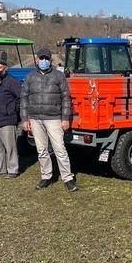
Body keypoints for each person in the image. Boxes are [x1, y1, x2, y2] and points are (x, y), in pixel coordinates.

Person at [20, 47, 77, 192]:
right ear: (37, 60)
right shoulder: (30, 77)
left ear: (50, 60)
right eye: (41, 58)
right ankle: (46, 176)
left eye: (46, 58)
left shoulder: (58, 76)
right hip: (35, 118)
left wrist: (65, 118)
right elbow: (24, 99)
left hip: (54, 118)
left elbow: (66, 97)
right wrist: (25, 119)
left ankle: (68, 178)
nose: (43, 61)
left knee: (60, 149)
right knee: (41, 150)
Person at [0, 59, 22, 178]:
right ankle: (0, 168)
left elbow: (20, 98)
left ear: (5, 68)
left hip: (7, 119)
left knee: (10, 146)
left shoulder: (12, 81)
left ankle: (13, 169)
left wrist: (13, 111)